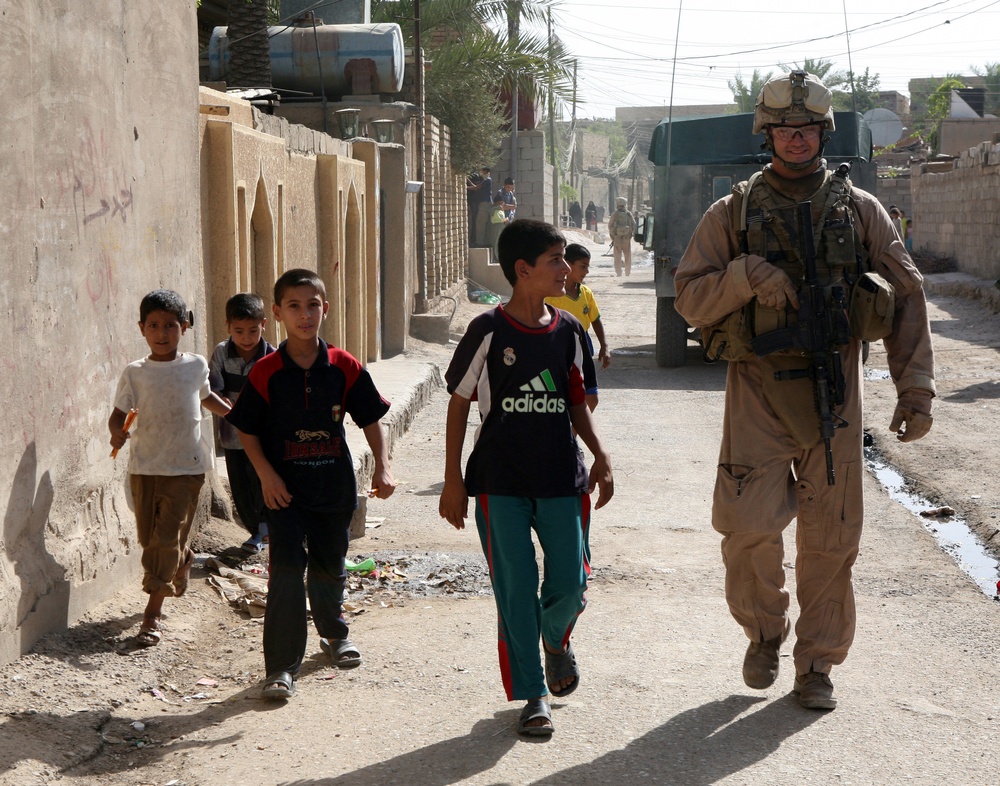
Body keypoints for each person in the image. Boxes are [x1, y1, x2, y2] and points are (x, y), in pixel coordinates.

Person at [674, 71, 935, 711]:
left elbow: (908, 293)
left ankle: (816, 664)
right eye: (786, 130)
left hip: (836, 392)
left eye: (808, 129)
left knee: (831, 540)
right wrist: (745, 274)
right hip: (757, 392)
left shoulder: (860, 209)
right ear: (769, 133)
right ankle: (765, 632)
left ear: (823, 132)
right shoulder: (730, 213)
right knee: (746, 531)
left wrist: (916, 387)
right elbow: (689, 297)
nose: (797, 140)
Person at [440, 219, 614, 737]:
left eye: (566, 259)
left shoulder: (570, 333)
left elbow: (578, 401)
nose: (567, 269)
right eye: (556, 260)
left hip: (562, 477)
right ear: (523, 270)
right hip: (500, 480)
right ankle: (534, 692)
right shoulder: (488, 331)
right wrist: (453, 480)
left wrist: (600, 454)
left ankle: (555, 641)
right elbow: (458, 406)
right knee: (514, 588)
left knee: (571, 583)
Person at [226, 268, 396, 701]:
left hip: (332, 487)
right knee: (284, 571)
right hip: (283, 492)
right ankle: (281, 667)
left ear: (326, 308)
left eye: (313, 305)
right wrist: (266, 475)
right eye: (295, 306)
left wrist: (383, 465)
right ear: (279, 313)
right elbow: (246, 429)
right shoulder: (265, 371)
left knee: (329, 565)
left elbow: (371, 417)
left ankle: (334, 634)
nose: (306, 315)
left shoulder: (343, 365)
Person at [109, 289, 232, 648]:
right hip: (145, 466)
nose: (162, 333)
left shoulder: (195, 366)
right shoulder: (135, 372)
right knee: (150, 539)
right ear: (141, 329)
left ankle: (152, 612)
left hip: (187, 466)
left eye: (170, 326)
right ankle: (184, 558)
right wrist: (117, 431)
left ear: (185, 327)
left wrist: (237, 416)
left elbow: (205, 396)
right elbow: (119, 413)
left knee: (164, 540)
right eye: (154, 326)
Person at [208, 293, 276, 554]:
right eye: (239, 331)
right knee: (241, 487)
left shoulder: (272, 356)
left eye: (252, 331)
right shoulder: (221, 354)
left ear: (264, 325)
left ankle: (266, 530)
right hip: (233, 437)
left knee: (263, 482)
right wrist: (232, 412)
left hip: (264, 438)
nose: (246, 338)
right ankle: (256, 530)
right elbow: (211, 390)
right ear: (228, 327)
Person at [545, 243, 611, 410]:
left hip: (583, 346)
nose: (586, 271)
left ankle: (572, 435)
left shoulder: (586, 293)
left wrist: (604, 346)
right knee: (561, 397)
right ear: (567, 264)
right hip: (558, 348)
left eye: (587, 267)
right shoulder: (552, 294)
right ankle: (566, 434)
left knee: (591, 398)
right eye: (583, 266)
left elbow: (595, 319)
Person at [607, 197, 637, 277]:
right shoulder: (628, 213)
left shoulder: (615, 214)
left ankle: (618, 272)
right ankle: (627, 272)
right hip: (626, 238)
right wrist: (631, 234)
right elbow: (634, 224)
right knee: (627, 256)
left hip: (617, 238)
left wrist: (613, 236)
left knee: (617, 256)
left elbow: (610, 226)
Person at [469, 167, 493, 247]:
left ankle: (479, 242)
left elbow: (476, 188)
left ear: (485, 171)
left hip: (484, 204)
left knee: (480, 223)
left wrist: (463, 187)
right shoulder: (485, 180)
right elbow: (476, 186)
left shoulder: (486, 180)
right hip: (485, 204)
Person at [484, 195, 510, 260]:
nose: (500, 205)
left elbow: (501, 218)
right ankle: (497, 258)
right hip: (496, 226)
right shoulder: (493, 209)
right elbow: (491, 212)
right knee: (495, 242)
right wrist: (499, 207)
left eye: (502, 203)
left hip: (502, 226)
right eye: (499, 203)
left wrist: (506, 220)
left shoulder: (501, 210)